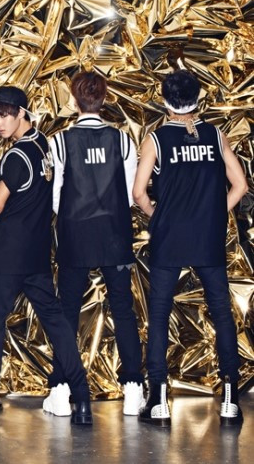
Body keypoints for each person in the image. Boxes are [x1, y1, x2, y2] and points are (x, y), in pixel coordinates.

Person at [0, 86, 92, 428]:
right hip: (36, 253)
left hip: (7, 254)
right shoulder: (44, 146)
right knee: (57, 324)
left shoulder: (16, 156)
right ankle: (82, 399)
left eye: (5, 115)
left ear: (22, 113)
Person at [133, 69, 247, 427]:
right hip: (207, 235)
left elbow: (138, 193)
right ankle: (230, 399)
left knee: (159, 314)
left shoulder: (156, 139)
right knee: (222, 312)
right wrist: (213, 214)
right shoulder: (215, 135)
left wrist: (158, 216)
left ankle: (158, 400)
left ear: (164, 101)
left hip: (170, 236)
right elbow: (240, 185)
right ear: (198, 99)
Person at [43, 71, 145, 417]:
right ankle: (133, 390)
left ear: (74, 101)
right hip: (115, 232)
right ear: (104, 99)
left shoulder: (59, 142)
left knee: (67, 311)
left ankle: (61, 390)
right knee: (123, 309)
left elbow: (56, 197)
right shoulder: (123, 140)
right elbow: (131, 194)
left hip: (75, 233)